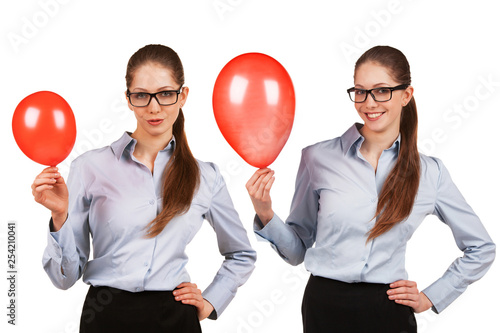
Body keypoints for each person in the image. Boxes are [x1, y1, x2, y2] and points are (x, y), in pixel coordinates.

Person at [246, 45, 495, 333]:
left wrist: (432, 297)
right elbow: (297, 251)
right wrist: (265, 212)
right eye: (360, 91)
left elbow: (482, 247)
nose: (369, 102)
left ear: (406, 95)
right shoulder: (317, 158)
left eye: (381, 91)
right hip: (324, 308)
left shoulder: (431, 173)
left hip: (388, 312)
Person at [32, 44, 256, 332]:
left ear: (182, 96)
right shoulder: (89, 167)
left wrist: (211, 301)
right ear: (128, 99)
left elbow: (242, 254)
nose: (154, 107)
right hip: (106, 317)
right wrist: (60, 217)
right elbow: (64, 278)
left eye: (165, 94)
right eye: (141, 96)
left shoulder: (205, 176)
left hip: (176, 319)